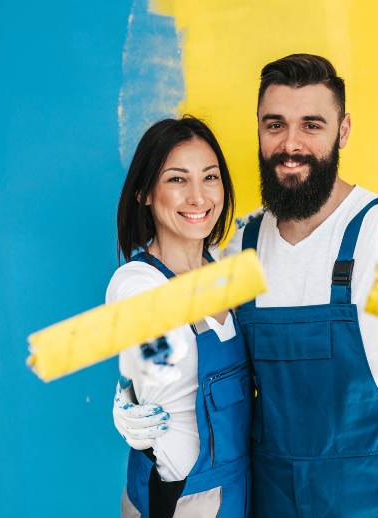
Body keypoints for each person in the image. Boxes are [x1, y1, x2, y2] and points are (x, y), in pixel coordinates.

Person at [116, 55, 378, 517]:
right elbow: (194, 355)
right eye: (275, 125)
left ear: (343, 131)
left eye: (311, 125)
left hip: (376, 499)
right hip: (274, 499)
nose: (290, 144)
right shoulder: (245, 243)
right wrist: (134, 401)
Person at [109, 116, 251, 518]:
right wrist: (130, 383)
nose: (198, 197)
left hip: (242, 491)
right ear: (144, 193)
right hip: (184, 502)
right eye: (176, 180)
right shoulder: (137, 283)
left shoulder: (226, 273)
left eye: (210, 177)